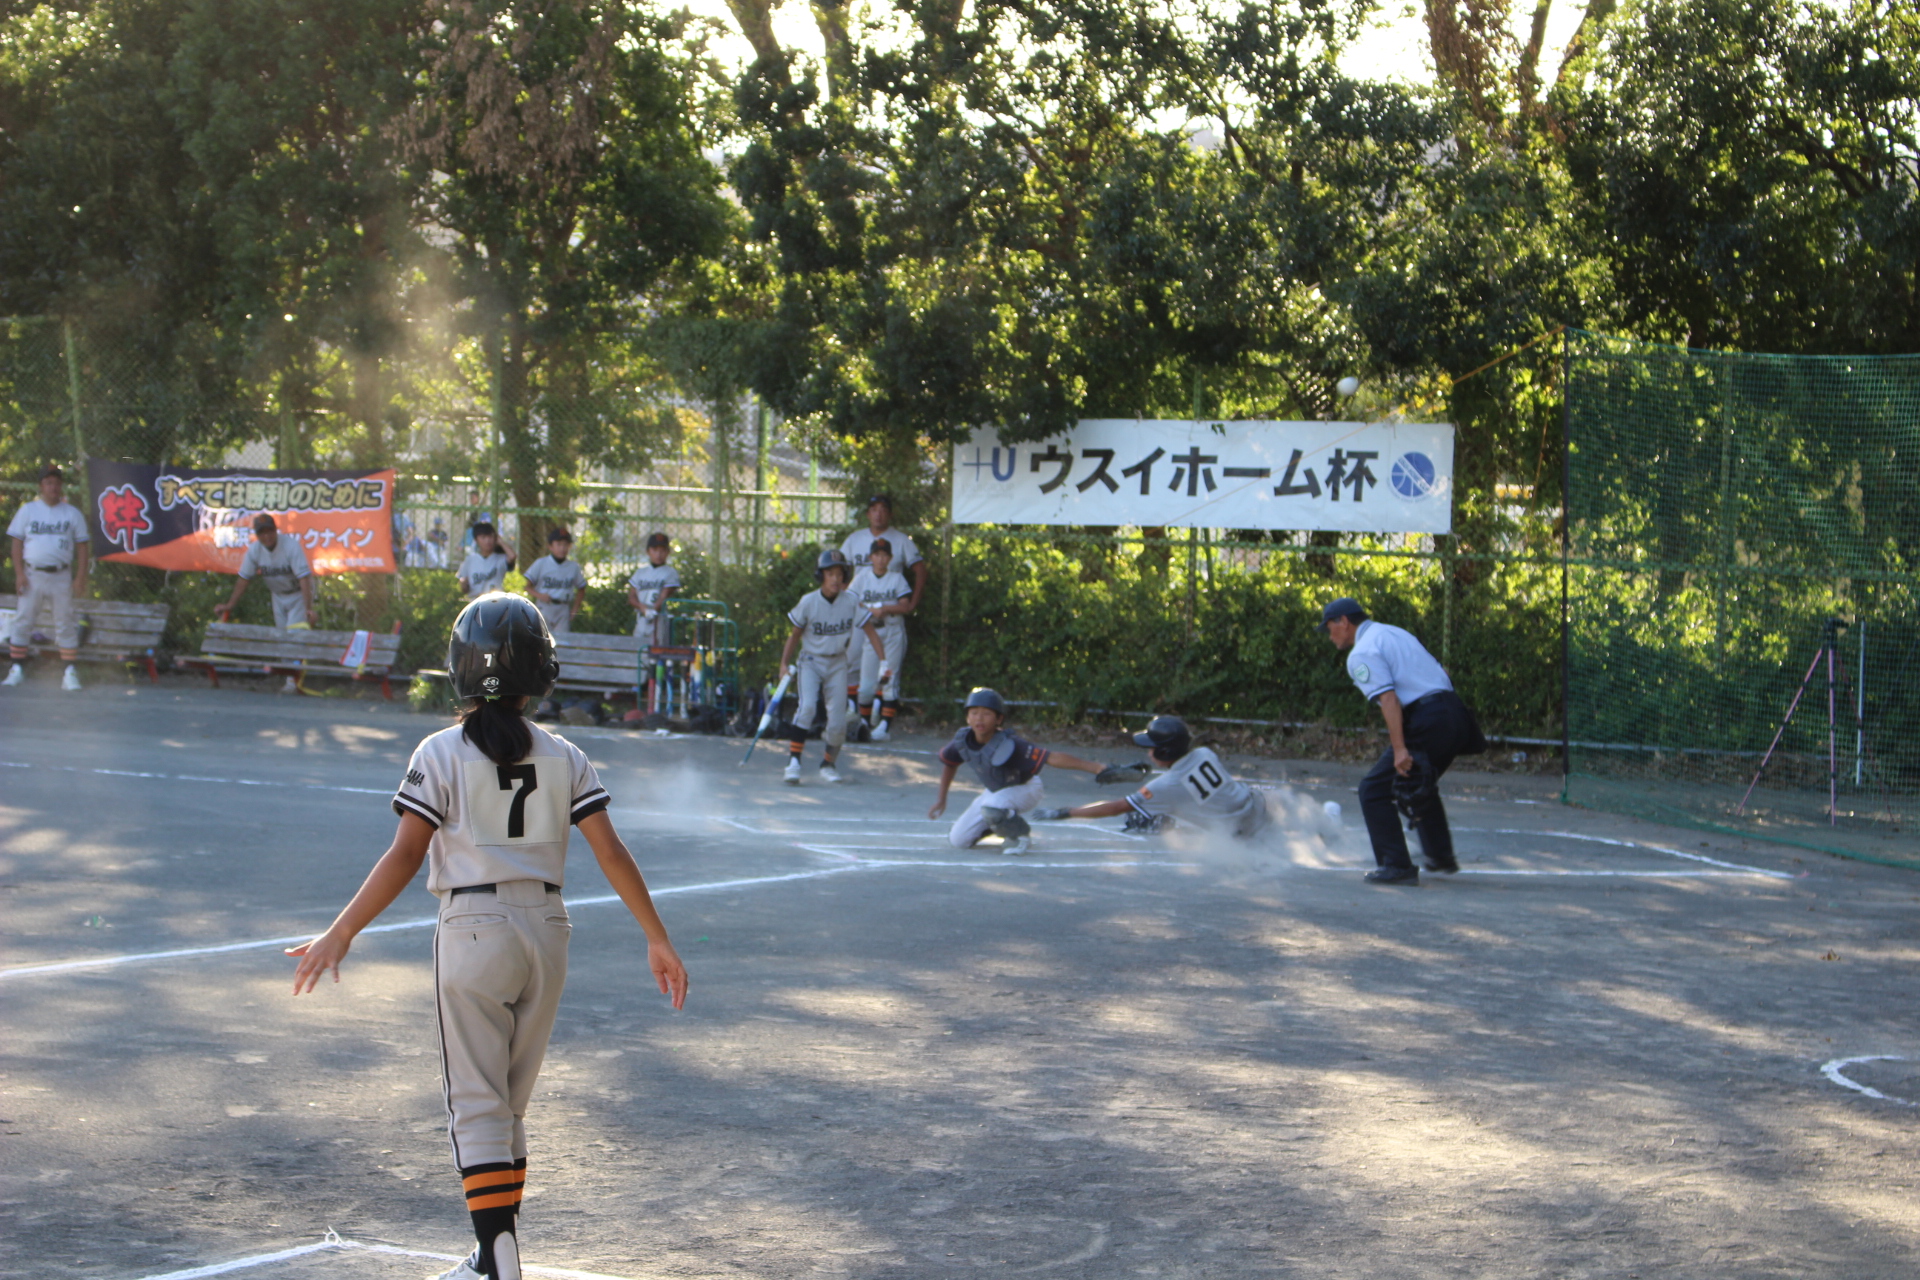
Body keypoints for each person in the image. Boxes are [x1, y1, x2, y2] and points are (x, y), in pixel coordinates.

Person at [287, 593, 689, 1280]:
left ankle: (501, 1260)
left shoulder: (440, 751)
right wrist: (658, 938)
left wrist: (342, 930)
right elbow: (612, 852)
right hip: (549, 933)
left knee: (477, 1104)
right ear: (541, 673)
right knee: (508, 1106)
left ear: (460, 670)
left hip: (473, 931)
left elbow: (405, 855)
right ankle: (488, 1252)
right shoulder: (565, 755)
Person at [1320, 596, 1485, 884]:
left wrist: (1399, 749)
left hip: (1428, 718)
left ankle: (1396, 865)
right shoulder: (1393, 632)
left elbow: (1389, 699)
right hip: (1455, 715)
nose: (1328, 634)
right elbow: (1441, 672)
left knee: (1373, 791)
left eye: (1329, 627)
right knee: (1416, 780)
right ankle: (1440, 856)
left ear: (1343, 622)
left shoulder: (1362, 653)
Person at [926, 687, 1123, 855]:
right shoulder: (963, 740)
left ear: (998, 718)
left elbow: (1051, 757)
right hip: (996, 791)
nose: (979, 718)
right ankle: (994, 824)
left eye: (986, 713)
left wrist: (1096, 767)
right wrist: (941, 799)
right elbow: (949, 763)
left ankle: (1019, 835)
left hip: (1025, 788)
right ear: (967, 717)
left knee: (994, 807)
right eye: (974, 712)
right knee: (958, 840)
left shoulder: (1010, 744)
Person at [1032, 715, 1269, 840]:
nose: (1148, 751)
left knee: (1146, 811)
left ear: (1166, 752)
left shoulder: (1165, 786)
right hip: (1259, 806)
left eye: (1152, 747)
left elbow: (1117, 807)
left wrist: (1067, 812)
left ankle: (1159, 817)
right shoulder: (1204, 753)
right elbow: (1185, 778)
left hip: (1239, 832)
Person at [777, 549, 888, 785]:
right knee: (806, 708)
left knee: (838, 722)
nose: (835, 579)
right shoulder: (809, 602)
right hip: (811, 661)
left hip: (838, 662)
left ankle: (828, 764)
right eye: (830, 573)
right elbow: (795, 635)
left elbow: (870, 630)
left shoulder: (850, 602)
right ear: (821, 576)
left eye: (840, 573)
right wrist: (783, 664)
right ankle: (793, 762)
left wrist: (884, 663)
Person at [5, 463, 90, 691]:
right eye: (49, 482)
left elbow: (83, 547)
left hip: (61, 574)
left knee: (65, 622)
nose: (54, 487)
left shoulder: (71, 513)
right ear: (41, 486)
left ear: (62, 487)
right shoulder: (29, 510)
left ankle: (69, 672)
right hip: (33, 574)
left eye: (57, 483)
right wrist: (20, 573)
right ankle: (17, 669)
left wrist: (80, 577)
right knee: (24, 619)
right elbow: (16, 542)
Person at [845, 536, 911, 740]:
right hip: (870, 634)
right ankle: (865, 723)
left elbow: (905, 606)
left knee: (888, 680)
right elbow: (849, 601)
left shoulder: (896, 578)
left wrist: (883, 608)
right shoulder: (863, 578)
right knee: (865, 686)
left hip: (892, 632)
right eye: (877, 555)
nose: (881, 559)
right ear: (871, 557)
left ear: (890, 558)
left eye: (884, 555)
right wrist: (868, 610)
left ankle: (884, 726)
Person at [215, 514, 314, 629]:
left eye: (270, 531)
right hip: (277, 596)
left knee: (294, 634)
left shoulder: (290, 546)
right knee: (281, 637)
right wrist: (230, 605)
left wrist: (308, 609)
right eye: (262, 532)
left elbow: (304, 579)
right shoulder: (255, 550)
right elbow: (244, 579)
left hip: (298, 595)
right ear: (257, 534)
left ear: (275, 530)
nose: (267, 536)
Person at [838, 493, 927, 613]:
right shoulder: (854, 539)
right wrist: (845, 599)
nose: (878, 515)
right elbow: (838, 570)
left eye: (883, 510)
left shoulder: (901, 540)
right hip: (860, 607)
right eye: (874, 510)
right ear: (868, 514)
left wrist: (912, 604)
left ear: (890, 515)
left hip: (891, 608)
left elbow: (921, 570)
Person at [522, 528, 586, 635]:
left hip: (563, 607)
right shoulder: (541, 563)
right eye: (559, 544)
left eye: (565, 544)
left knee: (562, 642)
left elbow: (582, 588)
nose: (562, 548)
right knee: (542, 640)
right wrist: (539, 595)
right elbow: (527, 587)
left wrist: (574, 609)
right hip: (544, 606)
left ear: (569, 546)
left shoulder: (573, 566)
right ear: (550, 546)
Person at [626, 532, 680, 649]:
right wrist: (642, 607)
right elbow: (631, 597)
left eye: (662, 550)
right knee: (638, 651)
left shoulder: (670, 573)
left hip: (659, 619)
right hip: (641, 618)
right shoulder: (640, 573)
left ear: (668, 552)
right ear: (648, 551)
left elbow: (664, 596)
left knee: (657, 652)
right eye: (655, 550)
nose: (658, 554)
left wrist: (653, 609)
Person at [457, 522, 515, 599]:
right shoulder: (470, 559)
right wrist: (463, 584)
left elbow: (512, 556)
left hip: (496, 600)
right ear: (476, 540)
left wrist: (501, 542)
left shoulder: (500, 558)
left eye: (490, 537)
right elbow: (463, 582)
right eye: (483, 537)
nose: (487, 541)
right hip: (475, 600)